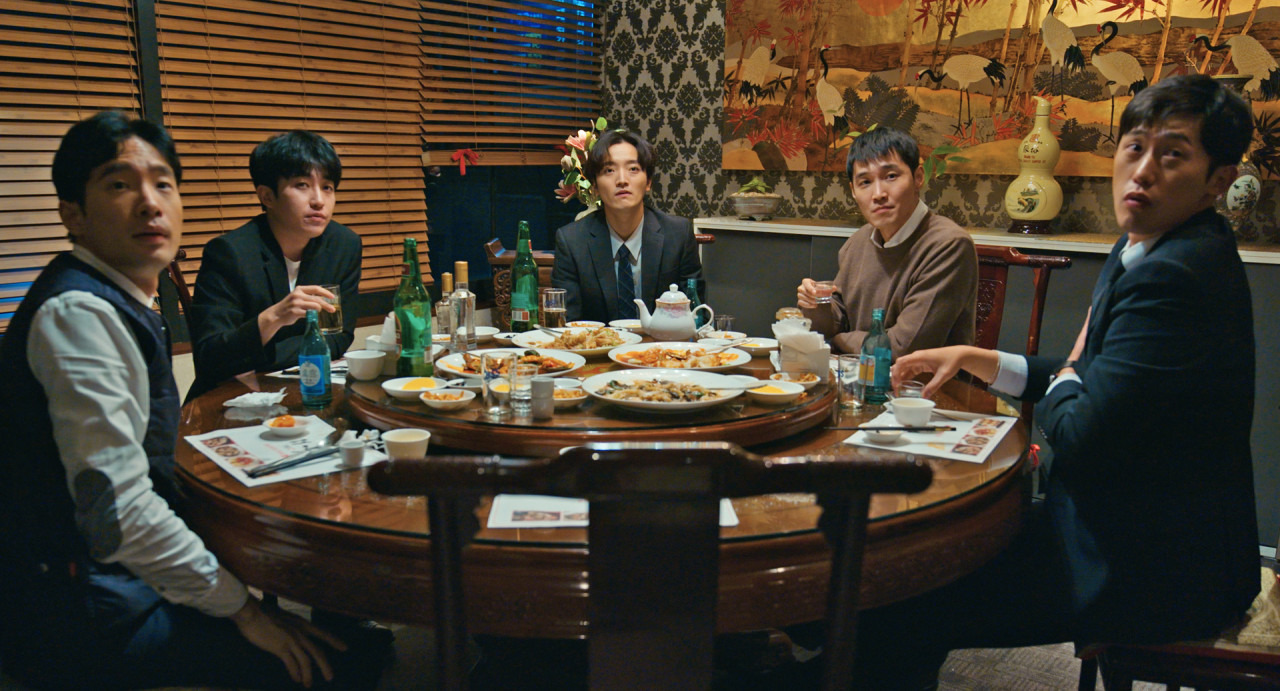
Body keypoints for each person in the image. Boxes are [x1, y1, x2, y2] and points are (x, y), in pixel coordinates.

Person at [857, 73, 1258, 689]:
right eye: (1134, 147)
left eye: (1172, 154)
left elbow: (1080, 431)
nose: (1142, 171)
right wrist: (978, 358)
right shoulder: (1152, 243)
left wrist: (1068, 371)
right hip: (1124, 526)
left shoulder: (1176, 274)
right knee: (900, 574)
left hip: (1146, 562)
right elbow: (1094, 382)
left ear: (1218, 180)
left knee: (901, 592)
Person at [0, 111, 378, 689]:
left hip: (111, 578)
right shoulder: (79, 314)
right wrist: (246, 611)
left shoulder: (115, 296)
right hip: (83, 606)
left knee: (342, 643)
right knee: (332, 668)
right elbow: (119, 514)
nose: (150, 204)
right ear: (72, 213)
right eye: (120, 184)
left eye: (163, 184)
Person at [187, 130, 360, 401]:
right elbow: (210, 356)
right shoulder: (230, 253)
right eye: (302, 185)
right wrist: (275, 317)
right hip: (228, 400)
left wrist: (258, 358)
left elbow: (338, 338)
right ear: (267, 196)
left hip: (304, 389)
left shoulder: (343, 245)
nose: (319, 200)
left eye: (327, 187)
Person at [795, 126, 977, 354]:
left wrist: (837, 341)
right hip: (857, 372)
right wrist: (816, 304)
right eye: (865, 182)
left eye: (891, 176)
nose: (879, 194)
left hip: (921, 377)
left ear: (918, 177)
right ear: (853, 191)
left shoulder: (948, 245)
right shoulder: (858, 241)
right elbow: (836, 320)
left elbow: (904, 347)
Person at [551, 129, 702, 323]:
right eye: (609, 170)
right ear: (594, 186)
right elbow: (569, 323)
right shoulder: (572, 241)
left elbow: (696, 315)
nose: (622, 180)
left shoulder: (678, 235)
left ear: (648, 181)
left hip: (662, 342)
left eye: (633, 169)